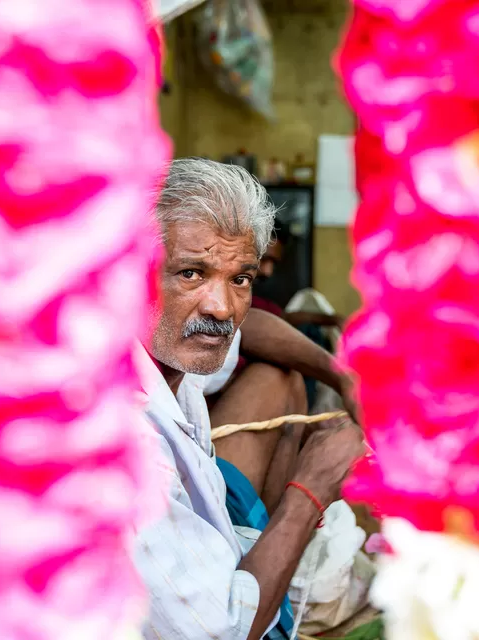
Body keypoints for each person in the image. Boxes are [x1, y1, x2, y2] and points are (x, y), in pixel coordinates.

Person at [133, 157, 367, 640]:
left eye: (240, 278)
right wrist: (310, 490)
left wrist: (343, 376)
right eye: (191, 273)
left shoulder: (172, 349)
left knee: (281, 377)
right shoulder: (127, 456)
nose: (221, 307)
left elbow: (250, 329)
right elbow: (221, 632)